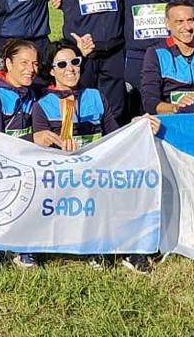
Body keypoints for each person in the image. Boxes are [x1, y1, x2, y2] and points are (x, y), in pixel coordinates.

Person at [32, 41, 153, 274]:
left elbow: (114, 135)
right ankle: (97, 247)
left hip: (98, 170)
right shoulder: (42, 106)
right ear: (51, 71)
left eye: (75, 62)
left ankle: (129, 248)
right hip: (63, 176)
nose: (71, 68)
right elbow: (40, 154)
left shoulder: (96, 96)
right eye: (62, 64)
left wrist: (136, 126)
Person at [0, 38, 61, 270]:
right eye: (23, 63)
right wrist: (33, 139)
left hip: (25, 167)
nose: (30, 70)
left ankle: (23, 243)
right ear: (8, 64)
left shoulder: (34, 94)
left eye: (34, 64)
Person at [140, 0, 194, 115]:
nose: (187, 27)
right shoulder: (156, 53)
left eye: (191, 20)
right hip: (173, 117)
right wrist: (176, 108)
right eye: (179, 21)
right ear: (167, 24)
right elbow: (149, 102)